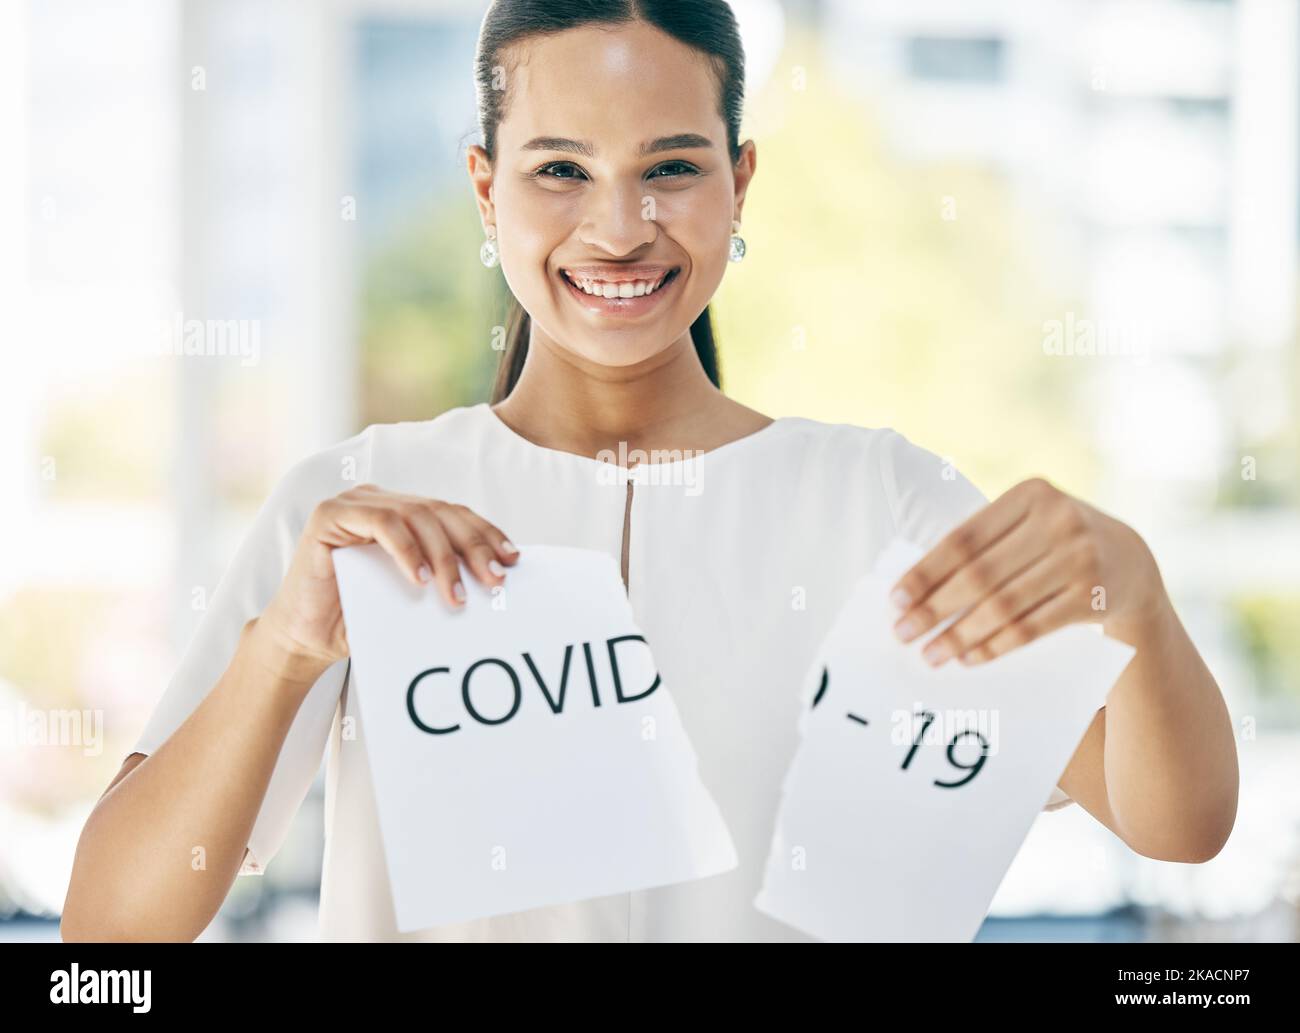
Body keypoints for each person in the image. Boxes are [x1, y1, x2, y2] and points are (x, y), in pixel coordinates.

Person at [61, 0, 1237, 942]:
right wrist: (285, 649)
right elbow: (110, 930)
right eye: (560, 170)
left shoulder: (880, 502)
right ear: (486, 186)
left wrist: (1129, 594)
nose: (619, 228)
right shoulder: (361, 510)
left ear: (740, 182)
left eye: (670, 166)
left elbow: (1175, 825)